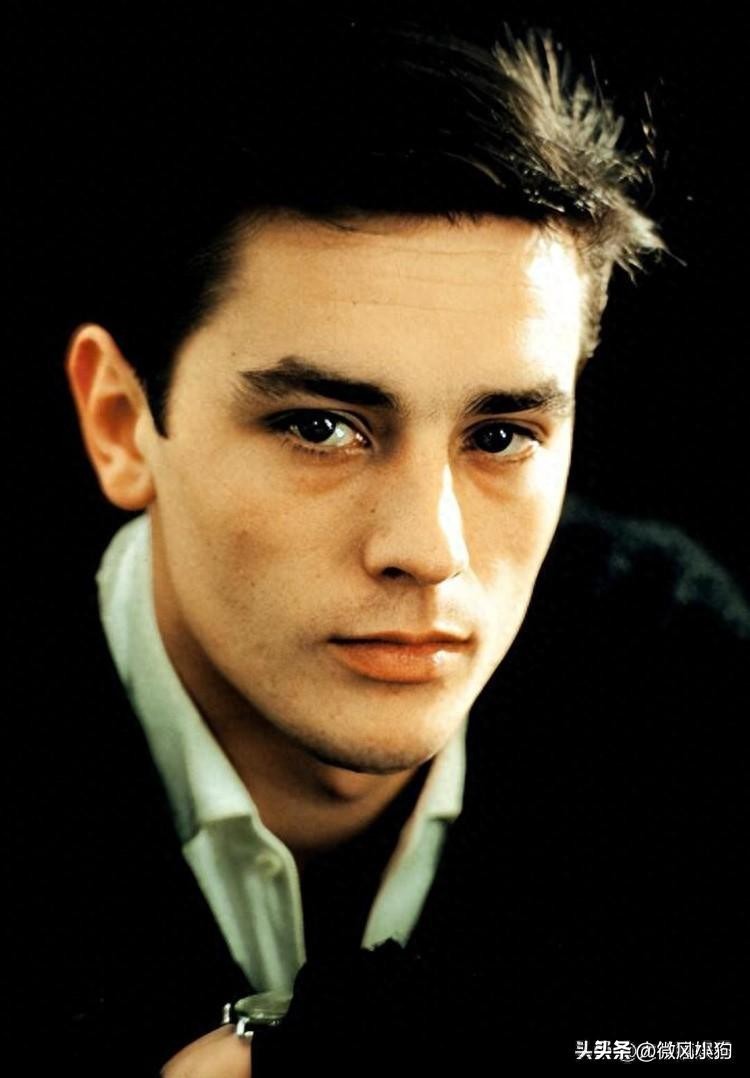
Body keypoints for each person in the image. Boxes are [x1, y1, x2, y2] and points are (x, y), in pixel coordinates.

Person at [12, 14, 746, 1076]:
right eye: (321, 427)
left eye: (502, 435)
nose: (429, 550)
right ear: (123, 424)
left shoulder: (670, 666)